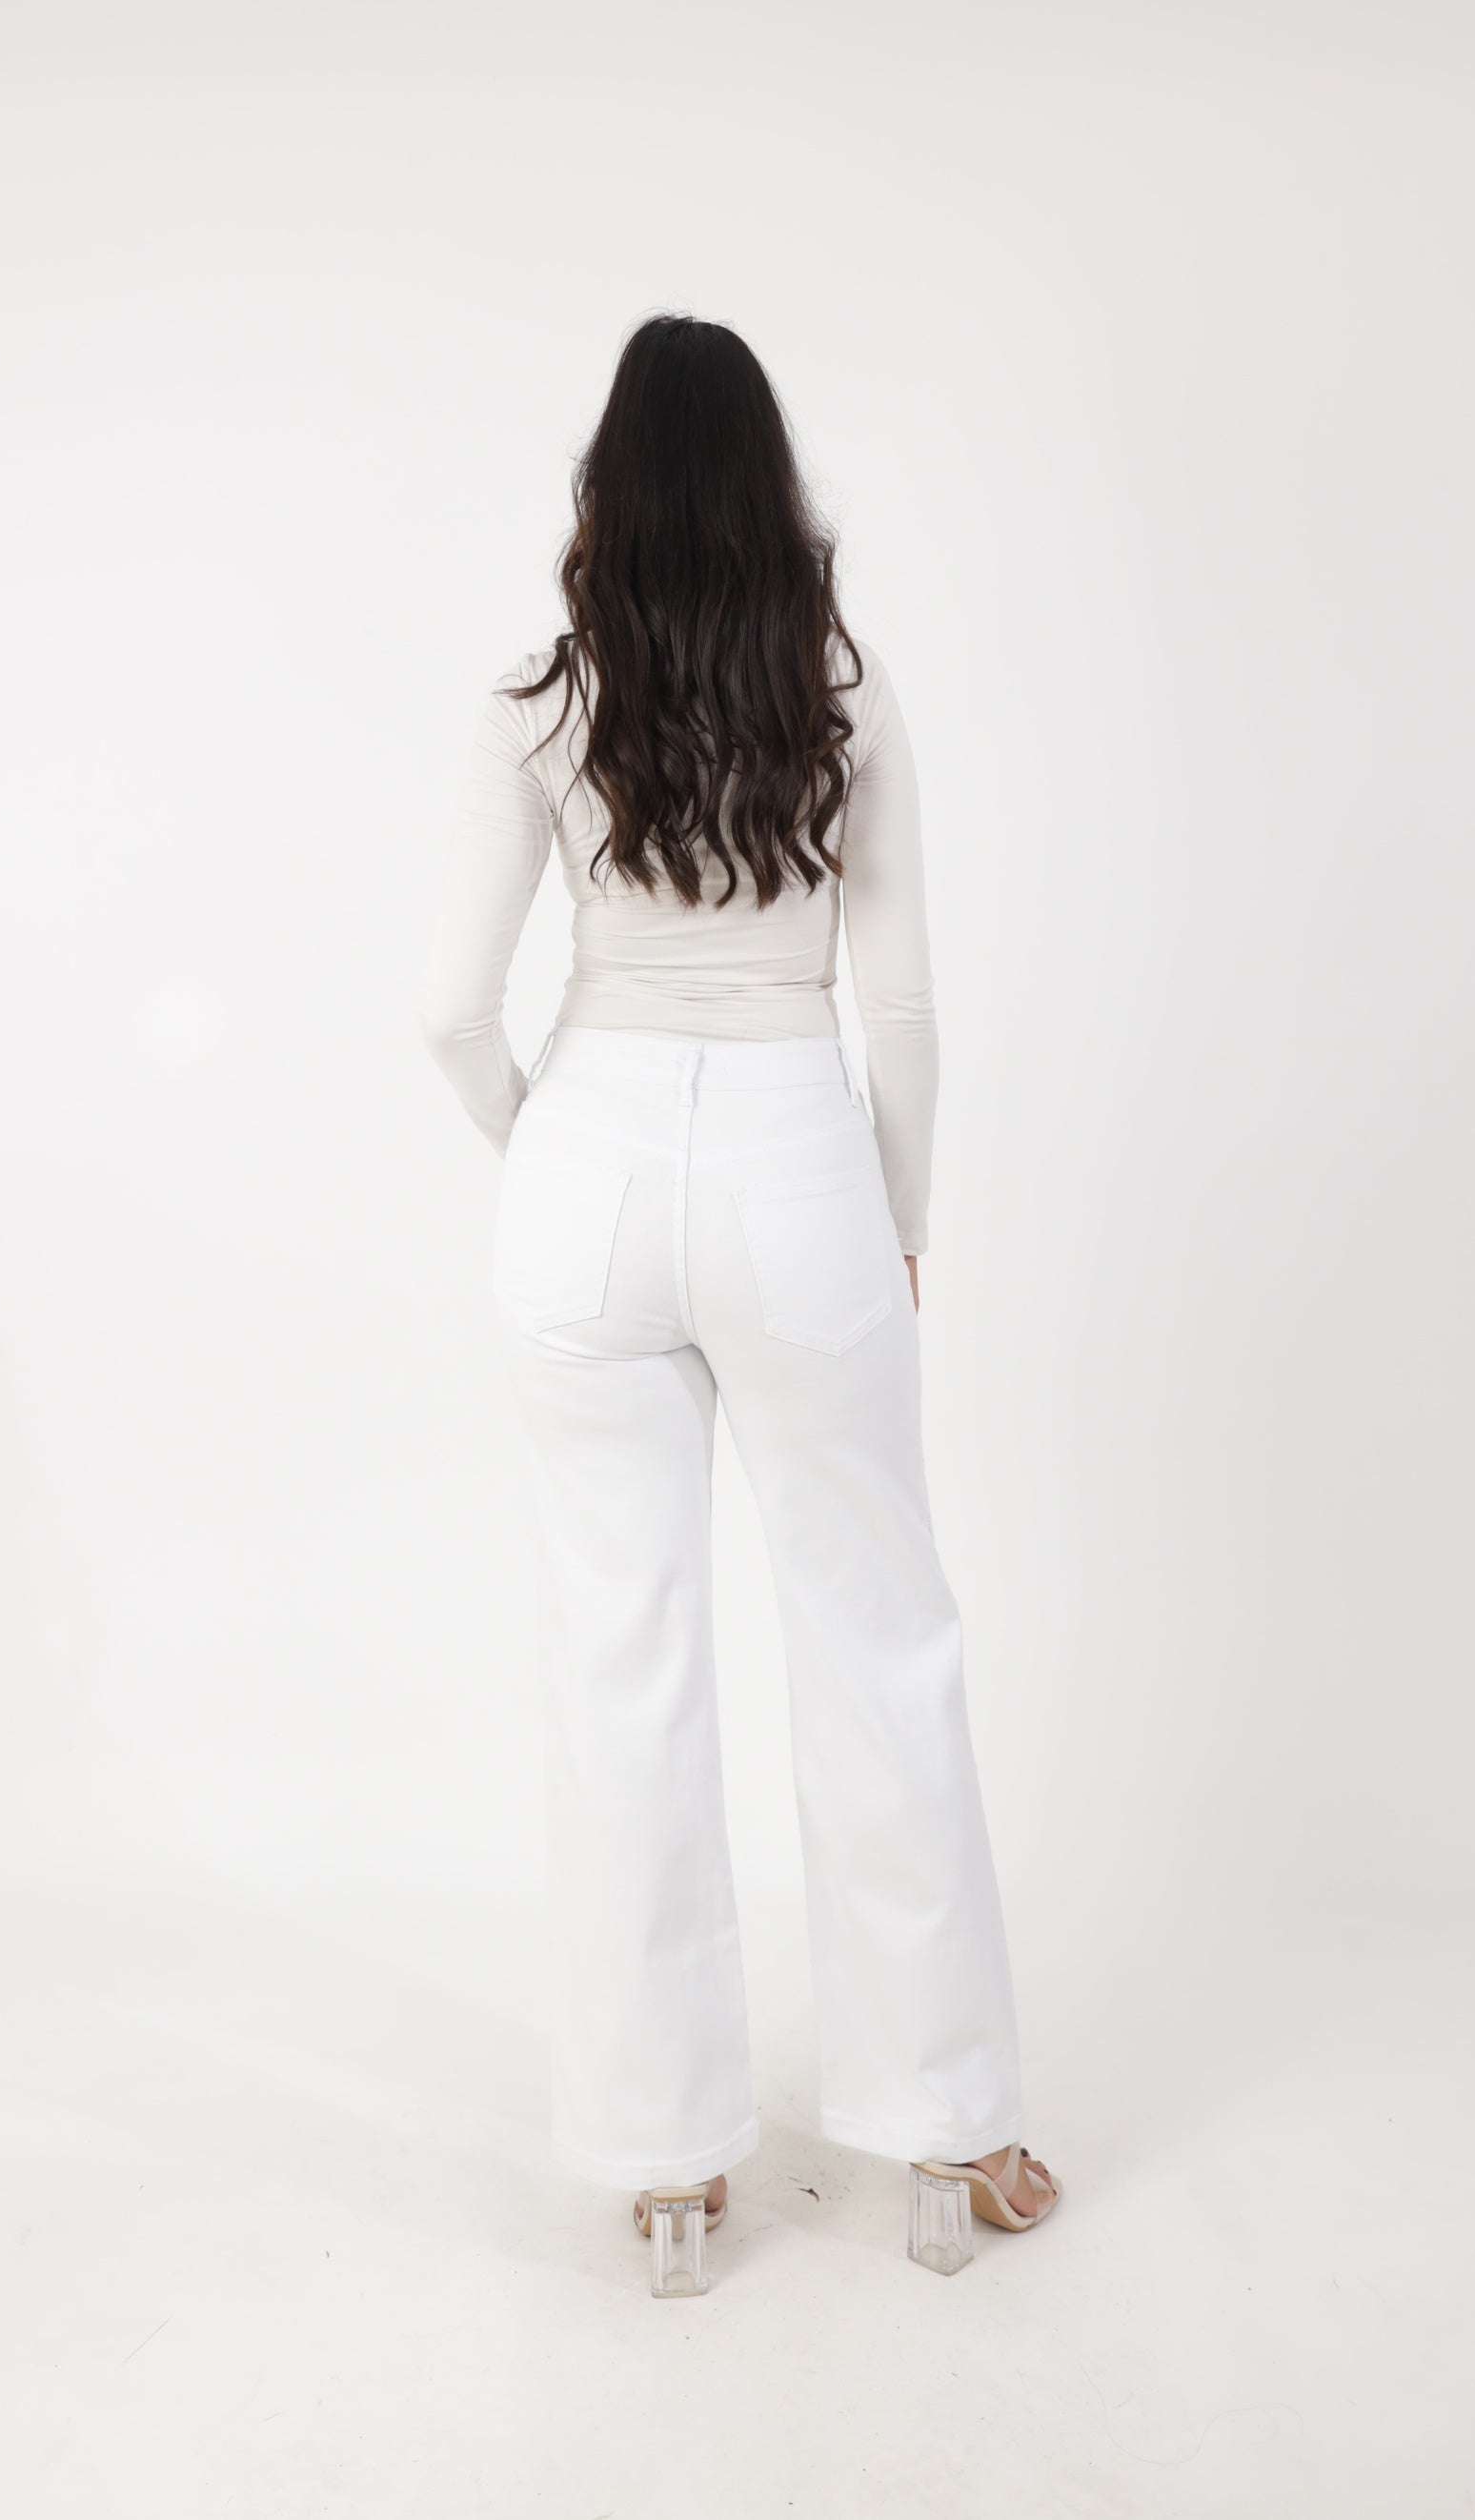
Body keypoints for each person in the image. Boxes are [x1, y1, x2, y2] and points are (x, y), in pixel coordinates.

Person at [418, 313, 1060, 2288]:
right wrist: (901, 1218)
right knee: (880, 1635)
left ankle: (669, 2174)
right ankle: (949, 2142)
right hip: (799, 1171)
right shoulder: (841, 692)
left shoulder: (540, 701)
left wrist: (542, 1143)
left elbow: (448, 1011)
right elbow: (907, 1006)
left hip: (588, 1173)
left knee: (622, 1656)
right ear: (769, 486)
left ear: (606, 489)